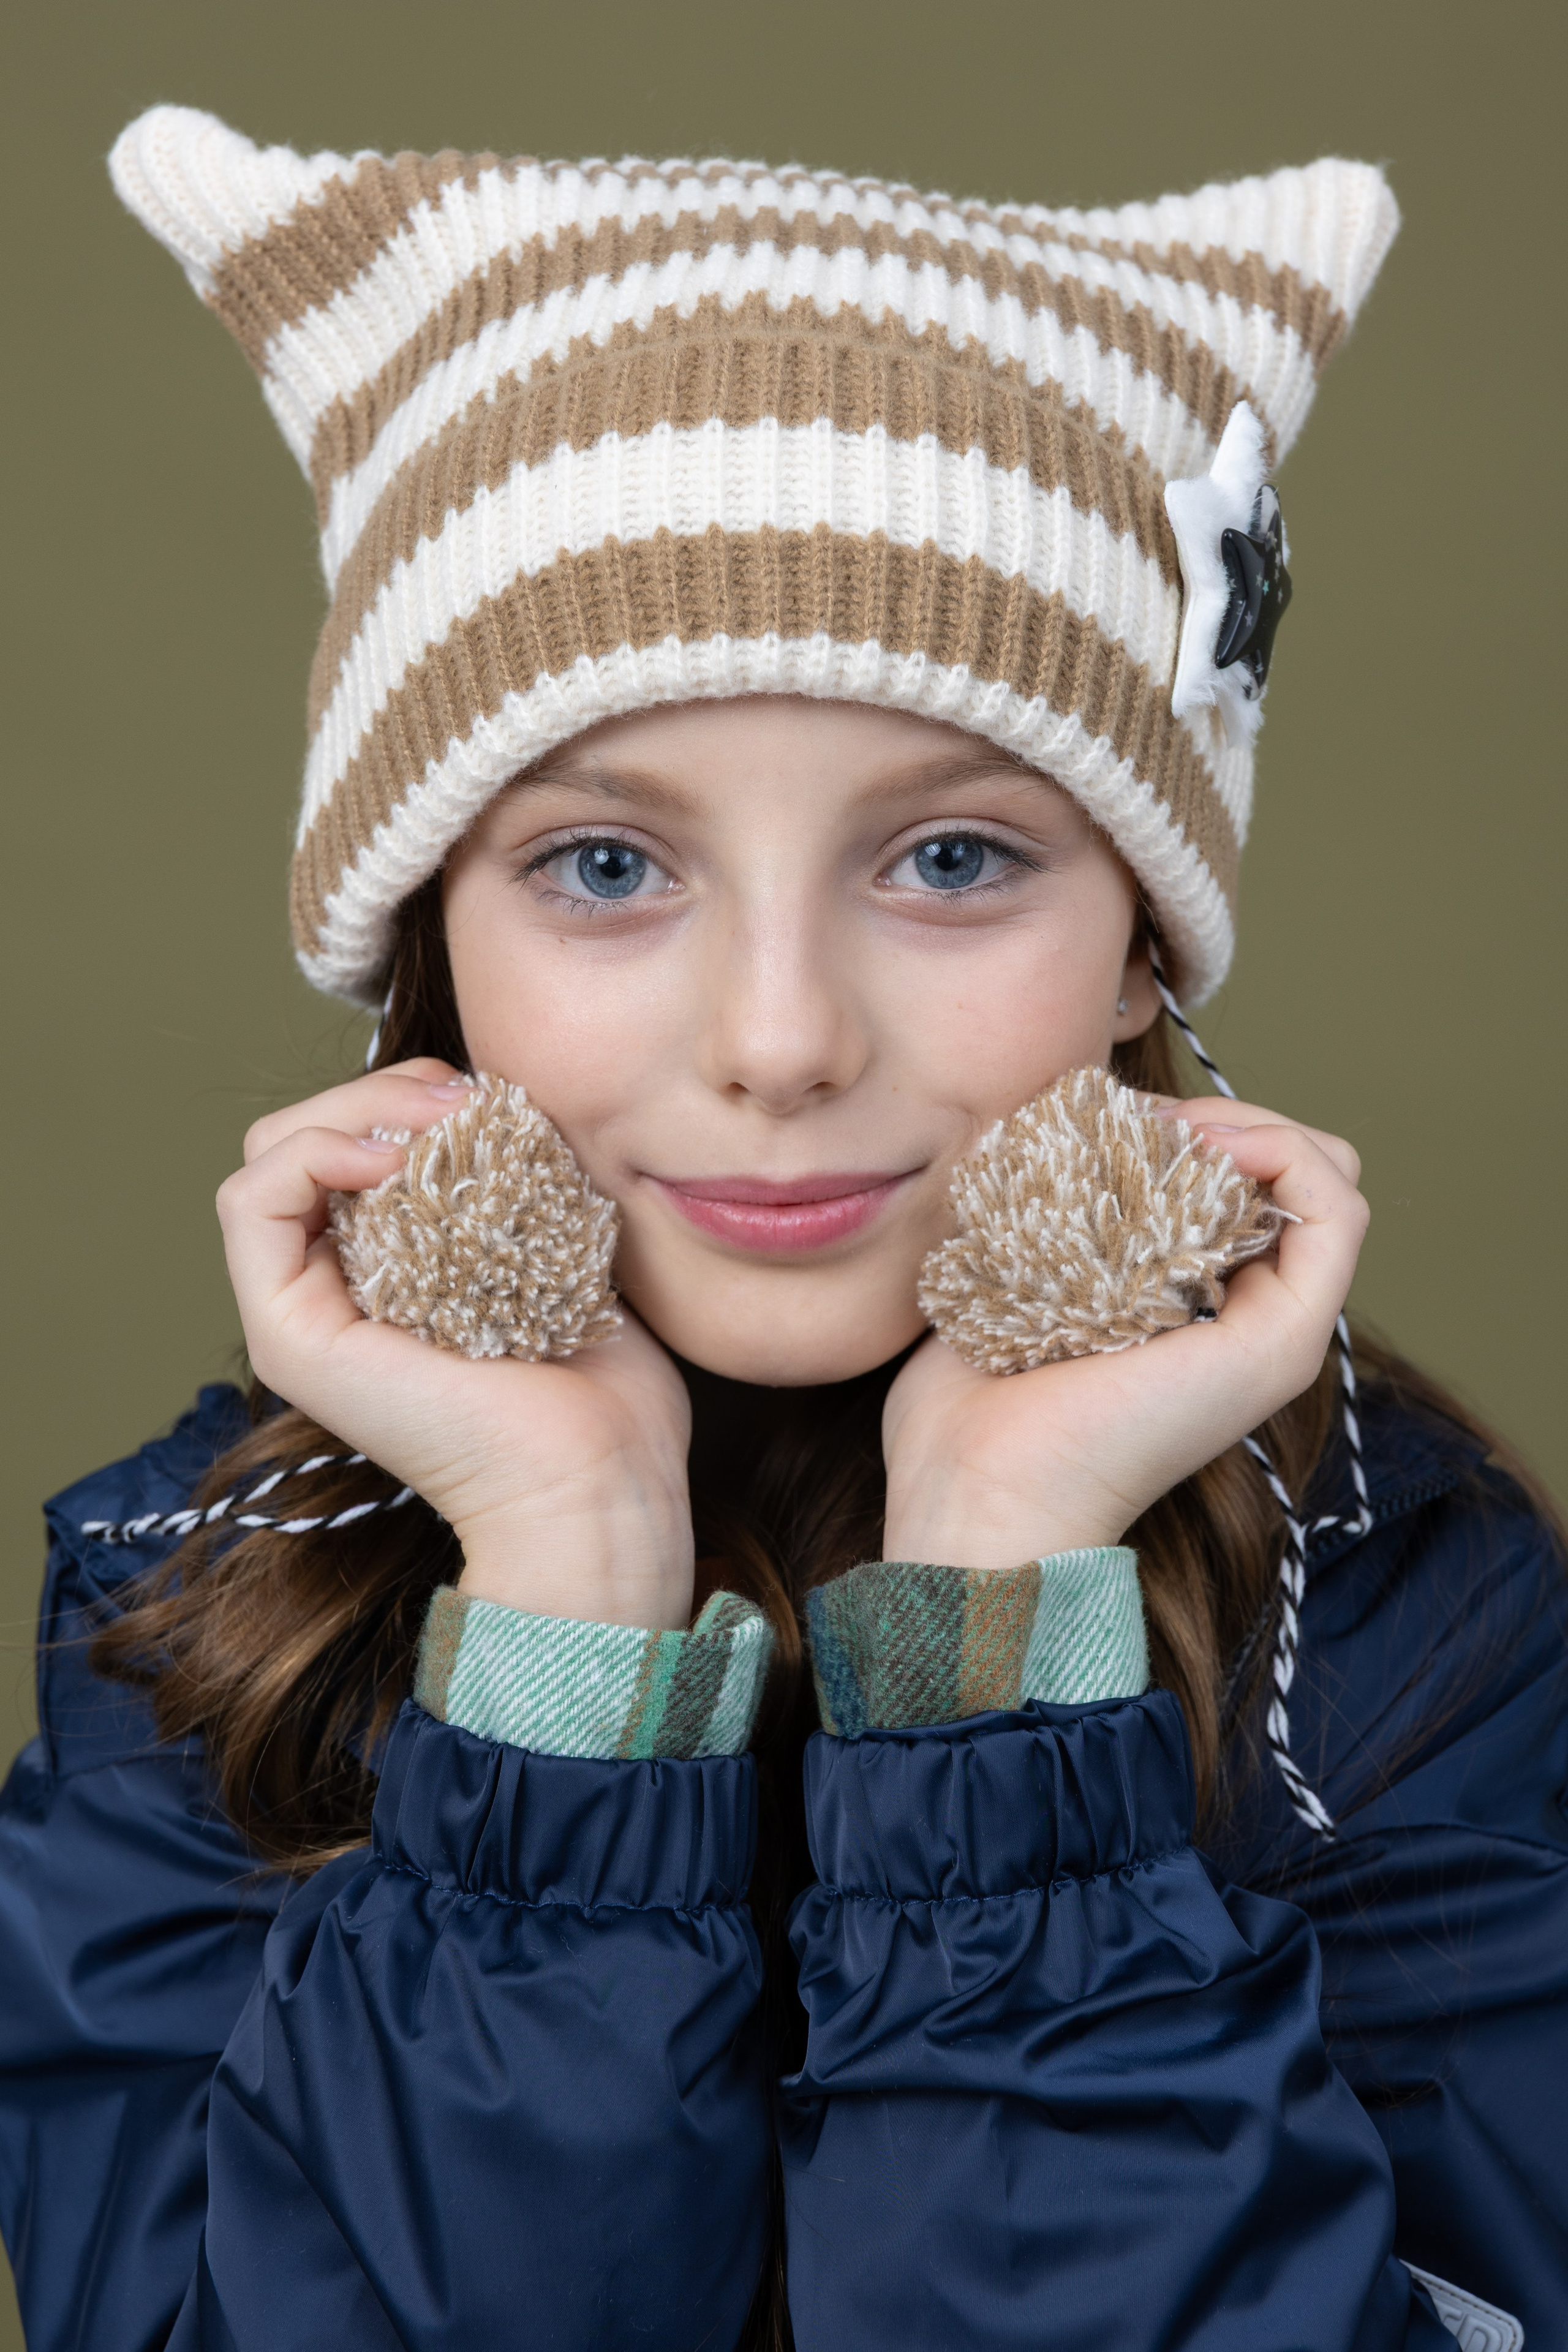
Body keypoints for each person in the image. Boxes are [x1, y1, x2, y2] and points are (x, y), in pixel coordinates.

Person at [1, 108, 1562, 2352]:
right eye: (609, 868)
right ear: (431, 938)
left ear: (1146, 945)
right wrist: (563, 1644)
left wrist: (1008, 1648)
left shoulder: (1400, 1623)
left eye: (949, 862)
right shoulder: (197, 1620)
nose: (780, 1037)